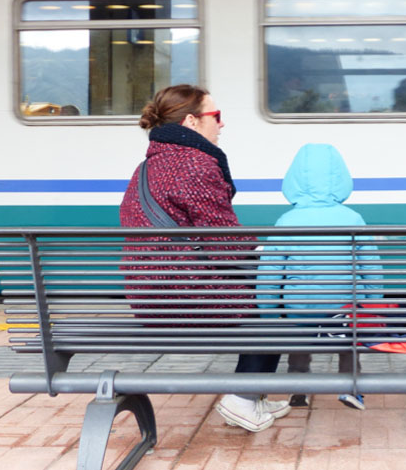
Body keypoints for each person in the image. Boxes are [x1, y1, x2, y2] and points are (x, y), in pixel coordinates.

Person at [119, 84, 290, 433]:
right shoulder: (195, 163)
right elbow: (225, 244)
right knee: (274, 302)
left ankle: (252, 395)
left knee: (263, 292)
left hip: (147, 293)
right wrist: (271, 256)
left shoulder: (146, 167)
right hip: (183, 294)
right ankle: (243, 400)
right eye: (217, 116)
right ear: (192, 122)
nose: (221, 125)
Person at [255, 143, 384, 410]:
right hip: (343, 310)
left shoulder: (286, 221)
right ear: (340, 178)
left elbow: (269, 272)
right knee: (351, 337)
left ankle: (299, 389)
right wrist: (373, 303)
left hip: (300, 311)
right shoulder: (353, 219)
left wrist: (267, 310)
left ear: (295, 179)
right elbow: (371, 267)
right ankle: (351, 388)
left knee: (298, 337)